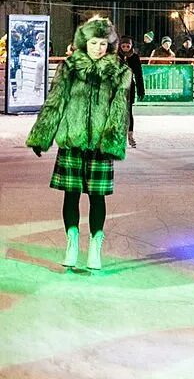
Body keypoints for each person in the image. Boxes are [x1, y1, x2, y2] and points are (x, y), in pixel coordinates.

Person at [26, 17, 131, 271]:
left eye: (103, 43)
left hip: (99, 145)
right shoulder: (69, 68)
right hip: (72, 141)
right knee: (71, 195)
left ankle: (95, 246)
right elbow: (56, 101)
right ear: (84, 42)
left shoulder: (119, 71)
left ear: (110, 44)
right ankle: (71, 242)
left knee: (97, 197)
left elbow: (120, 110)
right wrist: (42, 135)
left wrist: (112, 141)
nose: (98, 48)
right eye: (93, 42)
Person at [116, 36, 145, 148]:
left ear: (131, 46)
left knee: (128, 112)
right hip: (117, 88)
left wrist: (141, 90)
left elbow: (138, 75)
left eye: (128, 46)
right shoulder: (116, 57)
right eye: (123, 46)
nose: (126, 48)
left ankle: (130, 136)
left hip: (129, 88)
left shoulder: (135, 57)